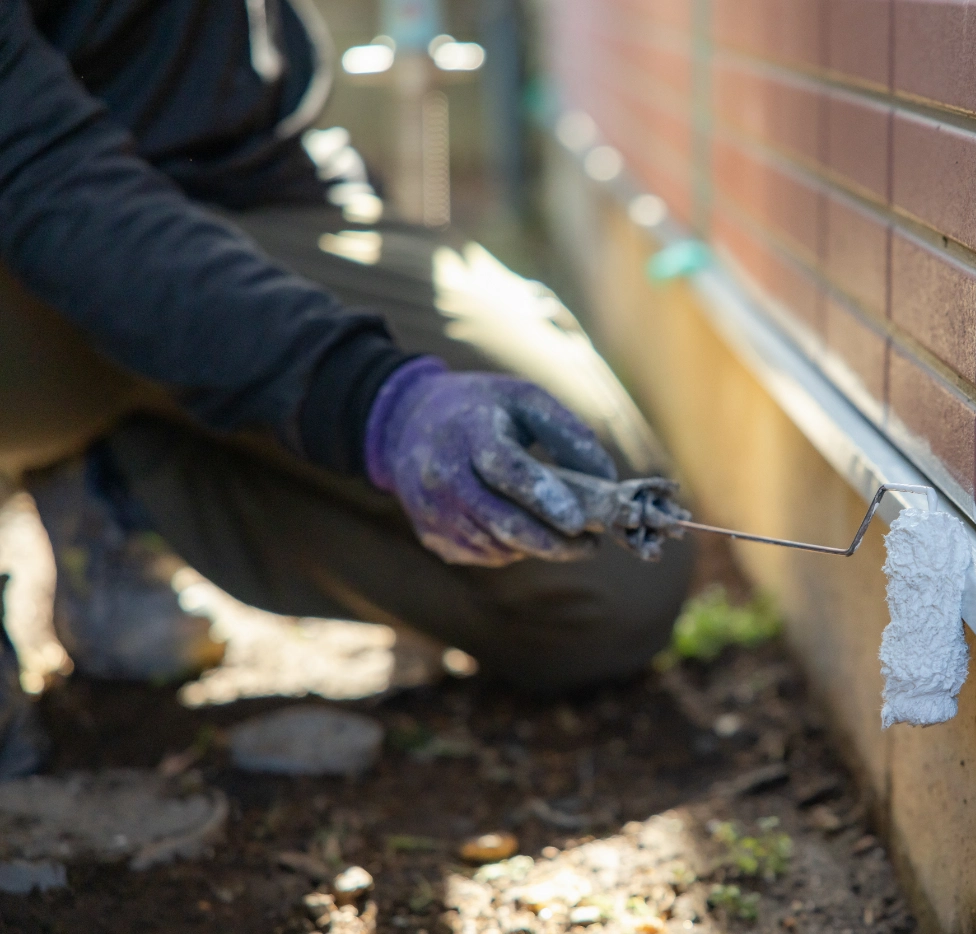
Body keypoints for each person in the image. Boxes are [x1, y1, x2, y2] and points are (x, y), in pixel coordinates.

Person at [0, 0, 694, 777]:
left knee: (610, 581)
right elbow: (44, 179)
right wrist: (375, 402)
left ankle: (126, 477)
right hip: (30, 248)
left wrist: (367, 256)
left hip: (244, 210)